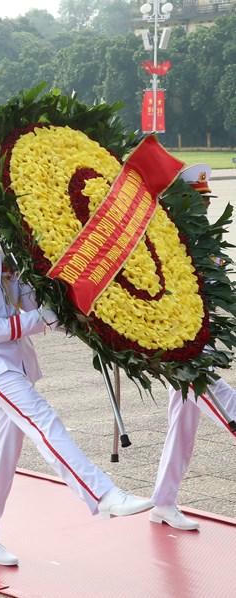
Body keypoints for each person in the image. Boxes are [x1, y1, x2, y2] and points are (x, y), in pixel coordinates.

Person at [0, 167, 152, 567]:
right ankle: (104, 494)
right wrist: (45, 319)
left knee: (5, 452)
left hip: (16, 360)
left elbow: (26, 298)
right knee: (44, 422)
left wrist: (68, 311)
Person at [151, 164, 236, 531]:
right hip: (179, 351)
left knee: (183, 426)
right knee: (227, 407)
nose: (205, 207)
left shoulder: (205, 242)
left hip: (200, 345)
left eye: (206, 201)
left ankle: (163, 502)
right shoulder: (164, 244)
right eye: (197, 202)